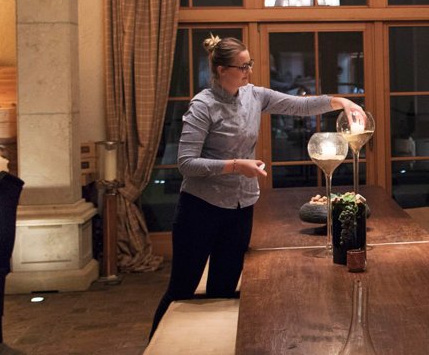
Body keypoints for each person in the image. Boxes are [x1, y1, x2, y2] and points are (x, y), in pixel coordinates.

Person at [150, 35, 365, 335]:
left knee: (224, 291)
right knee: (181, 289)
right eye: (242, 67)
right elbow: (185, 163)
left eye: (249, 64)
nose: (248, 71)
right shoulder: (203, 106)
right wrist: (237, 165)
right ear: (221, 69)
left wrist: (339, 101)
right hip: (199, 209)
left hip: (240, 209)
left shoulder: (254, 96)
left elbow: (298, 106)